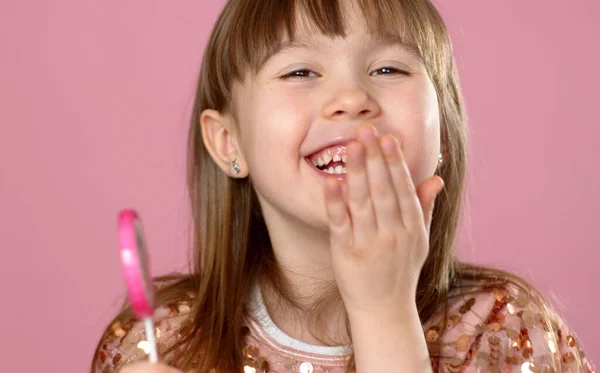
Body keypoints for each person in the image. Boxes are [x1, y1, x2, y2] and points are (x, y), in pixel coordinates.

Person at [91, 0, 596, 372]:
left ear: (443, 127)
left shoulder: (501, 329)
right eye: (301, 71)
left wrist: (384, 312)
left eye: (388, 68)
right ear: (228, 143)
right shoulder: (160, 341)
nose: (352, 98)